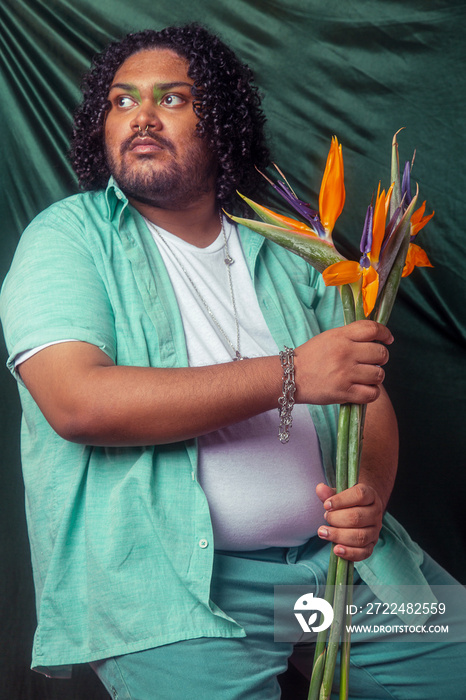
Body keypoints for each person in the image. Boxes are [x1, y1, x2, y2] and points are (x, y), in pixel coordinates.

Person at [0, 23, 464, 700]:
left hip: (337, 576)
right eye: (122, 102)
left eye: (173, 99)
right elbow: (77, 403)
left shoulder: (294, 249)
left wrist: (370, 495)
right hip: (181, 601)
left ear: (221, 120)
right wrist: (290, 375)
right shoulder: (68, 237)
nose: (142, 117)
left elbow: (366, 395)